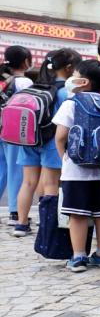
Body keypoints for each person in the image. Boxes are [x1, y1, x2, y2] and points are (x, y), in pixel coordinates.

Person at [53, 60, 100, 272]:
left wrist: (65, 158)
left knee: (78, 214)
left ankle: (79, 256)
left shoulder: (72, 103)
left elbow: (61, 136)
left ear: (82, 81)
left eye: (74, 74)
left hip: (76, 171)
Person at [13, 49, 81, 237]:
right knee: (50, 183)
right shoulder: (64, 92)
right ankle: (47, 224)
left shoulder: (35, 87)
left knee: (27, 182)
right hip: (51, 140)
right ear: (69, 68)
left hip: (29, 140)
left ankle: (21, 223)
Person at [0, 45, 33, 226]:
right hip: (13, 132)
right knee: (16, 171)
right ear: (25, 61)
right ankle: (15, 212)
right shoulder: (24, 83)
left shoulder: (2, 77)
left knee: (1, 169)